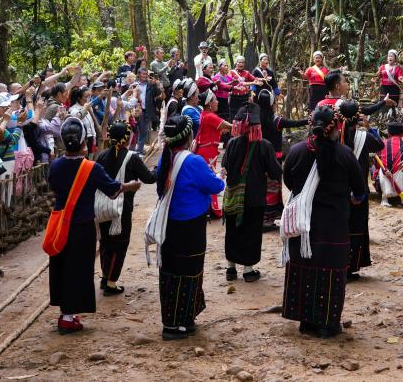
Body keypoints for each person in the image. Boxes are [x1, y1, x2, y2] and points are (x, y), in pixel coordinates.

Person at [48, 117, 141, 333]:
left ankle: (66, 311)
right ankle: (69, 317)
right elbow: (113, 189)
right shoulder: (91, 168)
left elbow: (54, 187)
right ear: (83, 143)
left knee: (62, 266)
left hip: (61, 224)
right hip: (82, 226)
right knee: (79, 268)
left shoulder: (55, 167)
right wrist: (130, 186)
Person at [280, 105, 366, 338]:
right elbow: (360, 191)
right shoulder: (345, 154)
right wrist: (354, 199)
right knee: (331, 273)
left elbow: (288, 181)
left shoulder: (296, 151)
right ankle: (328, 324)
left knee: (304, 270)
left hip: (303, 226)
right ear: (336, 128)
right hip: (334, 227)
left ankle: (306, 321)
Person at [150, 115, 225, 340]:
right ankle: (183, 322)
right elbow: (215, 185)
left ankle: (171, 322)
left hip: (169, 226)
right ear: (188, 136)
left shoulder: (165, 159)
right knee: (189, 272)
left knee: (170, 272)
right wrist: (220, 176)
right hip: (190, 228)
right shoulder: (193, 161)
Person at [96, 122, 155, 296]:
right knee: (119, 244)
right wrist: (160, 168)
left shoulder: (101, 156)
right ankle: (111, 283)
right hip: (121, 210)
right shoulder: (132, 157)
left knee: (105, 243)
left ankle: (105, 276)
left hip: (101, 208)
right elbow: (150, 178)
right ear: (127, 138)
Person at [222, 104, 280, 282]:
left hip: (233, 196)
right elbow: (276, 172)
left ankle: (231, 269)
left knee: (232, 230)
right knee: (251, 232)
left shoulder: (231, 143)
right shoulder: (264, 146)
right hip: (255, 197)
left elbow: (224, 165)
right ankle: (248, 270)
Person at [336, 101, 384, 279]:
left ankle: (337, 264)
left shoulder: (334, 135)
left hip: (338, 189)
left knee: (339, 226)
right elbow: (380, 145)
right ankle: (350, 266)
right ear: (359, 117)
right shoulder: (364, 137)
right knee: (356, 227)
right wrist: (369, 128)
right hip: (358, 190)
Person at [255, 89, 308, 230]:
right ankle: (267, 220)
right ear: (271, 104)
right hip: (274, 158)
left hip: (258, 158)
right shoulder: (276, 120)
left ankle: (262, 216)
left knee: (262, 186)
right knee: (273, 187)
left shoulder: (255, 119)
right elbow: (294, 123)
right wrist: (310, 120)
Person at [195, 91, 233, 217]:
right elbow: (229, 126)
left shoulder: (205, 114)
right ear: (209, 104)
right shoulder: (210, 116)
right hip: (207, 151)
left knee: (206, 176)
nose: (218, 102)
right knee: (209, 177)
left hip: (207, 150)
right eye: (215, 100)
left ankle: (207, 207)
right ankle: (211, 209)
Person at [318, 70, 393, 114]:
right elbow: (367, 110)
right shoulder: (343, 105)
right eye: (344, 82)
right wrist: (384, 102)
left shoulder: (320, 104)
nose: (347, 84)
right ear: (337, 86)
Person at [377, 122, 403, 206]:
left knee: (377, 169)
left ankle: (385, 198)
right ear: (402, 133)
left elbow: (377, 164)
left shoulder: (381, 144)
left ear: (389, 133)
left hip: (384, 185)